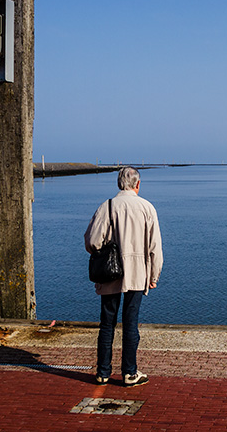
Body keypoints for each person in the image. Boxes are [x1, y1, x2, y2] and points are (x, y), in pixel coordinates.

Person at [84, 166, 163, 387]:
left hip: (110, 273)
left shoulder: (106, 206)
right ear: (138, 184)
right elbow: (155, 248)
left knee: (107, 323)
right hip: (138, 274)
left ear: (119, 184)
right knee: (131, 323)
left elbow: (92, 242)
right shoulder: (147, 207)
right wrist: (154, 275)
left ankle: (103, 372)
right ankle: (129, 373)